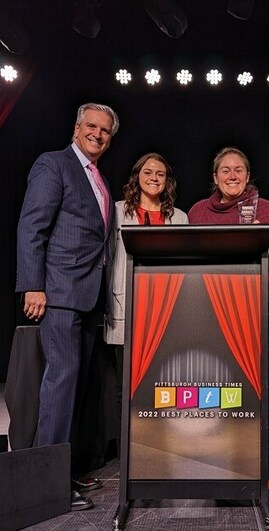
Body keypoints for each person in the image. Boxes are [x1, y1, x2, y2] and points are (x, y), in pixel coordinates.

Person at [16, 102, 120, 511]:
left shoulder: (97, 177)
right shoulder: (53, 164)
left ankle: (66, 468)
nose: (97, 134)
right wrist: (33, 286)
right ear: (76, 127)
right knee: (60, 382)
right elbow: (32, 226)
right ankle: (48, 483)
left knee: (76, 387)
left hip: (88, 297)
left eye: (105, 130)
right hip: (58, 295)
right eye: (91, 126)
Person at [188, 147, 269, 489]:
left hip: (261, 313)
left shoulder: (266, 209)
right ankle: (219, 463)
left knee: (264, 392)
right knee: (219, 393)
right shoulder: (199, 212)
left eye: (239, 170)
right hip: (213, 314)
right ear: (214, 178)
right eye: (225, 171)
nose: (233, 176)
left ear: (248, 176)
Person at [104, 153, 188, 449]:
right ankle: (126, 446)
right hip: (125, 305)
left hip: (164, 311)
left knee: (161, 381)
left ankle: (158, 443)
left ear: (167, 181)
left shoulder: (180, 217)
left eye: (160, 174)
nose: (154, 178)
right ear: (137, 175)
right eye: (148, 172)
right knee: (124, 382)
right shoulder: (115, 212)